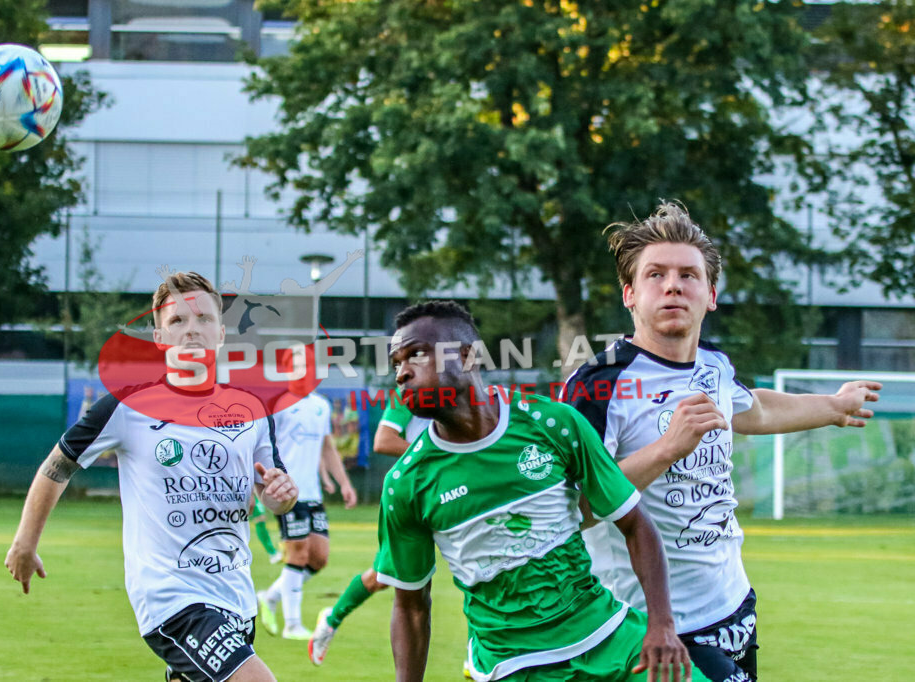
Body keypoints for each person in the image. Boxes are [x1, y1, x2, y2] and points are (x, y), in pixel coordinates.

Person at [564, 201, 881, 682]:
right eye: (655, 275)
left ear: (710, 294)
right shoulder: (599, 384)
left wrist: (834, 407)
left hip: (732, 607)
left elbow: (755, 409)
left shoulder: (713, 364)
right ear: (629, 294)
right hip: (649, 624)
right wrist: (666, 449)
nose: (673, 285)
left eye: (688, 275)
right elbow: (571, 510)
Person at [376, 301, 705, 682]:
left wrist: (661, 625)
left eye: (416, 354)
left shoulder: (553, 423)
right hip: (514, 666)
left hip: (612, 637)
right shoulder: (406, 483)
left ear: (466, 357)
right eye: (396, 362)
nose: (401, 373)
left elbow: (635, 524)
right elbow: (411, 606)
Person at [5, 271, 299, 682]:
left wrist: (281, 495)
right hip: (170, 597)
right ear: (160, 338)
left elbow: (273, 492)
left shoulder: (251, 409)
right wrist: (25, 542)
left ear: (221, 333)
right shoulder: (127, 407)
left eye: (203, 319)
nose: (191, 330)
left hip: (235, 593)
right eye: (177, 321)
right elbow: (58, 466)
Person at [307, 389, 431, 665]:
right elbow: (383, 440)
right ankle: (331, 619)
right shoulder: (412, 390)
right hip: (414, 494)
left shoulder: (467, 394)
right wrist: (438, 456)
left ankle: (480, 654)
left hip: (454, 492)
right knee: (385, 578)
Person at [257, 384, 359, 641]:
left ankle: (271, 596)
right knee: (298, 553)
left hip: (312, 493)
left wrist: (344, 483)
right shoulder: (277, 403)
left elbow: (327, 448)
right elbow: (262, 443)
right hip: (287, 491)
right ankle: (292, 625)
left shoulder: (321, 405)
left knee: (319, 558)